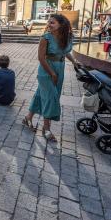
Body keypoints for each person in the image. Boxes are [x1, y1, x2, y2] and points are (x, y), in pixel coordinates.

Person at [23, 14, 80, 142]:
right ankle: (46, 128)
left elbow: (64, 52)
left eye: (52, 22)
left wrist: (75, 62)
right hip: (46, 70)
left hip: (60, 68)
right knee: (51, 97)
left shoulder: (67, 37)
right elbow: (41, 58)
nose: (49, 24)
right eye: (49, 22)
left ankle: (28, 118)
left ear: (62, 25)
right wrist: (52, 74)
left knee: (40, 95)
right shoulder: (46, 38)